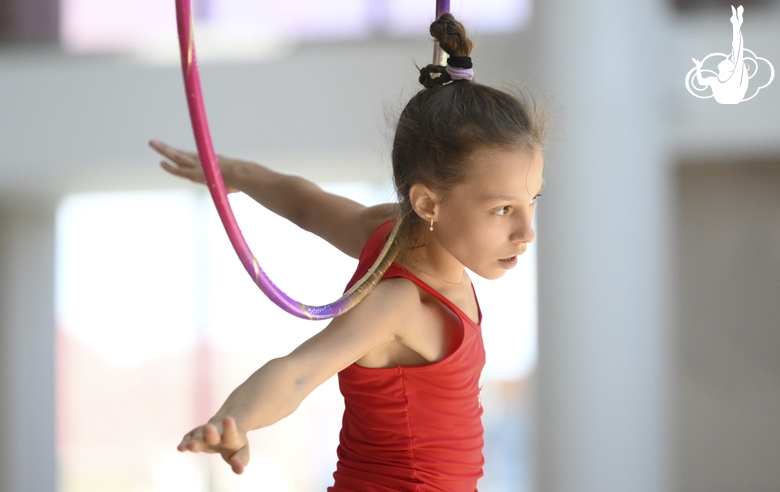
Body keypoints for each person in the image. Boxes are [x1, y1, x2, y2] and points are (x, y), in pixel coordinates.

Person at [151, 13, 546, 491]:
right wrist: (234, 420)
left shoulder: (388, 231)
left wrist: (236, 172)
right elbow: (297, 373)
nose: (527, 231)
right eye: (503, 209)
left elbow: (305, 203)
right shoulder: (400, 303)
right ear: (428, 203)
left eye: (531, 203)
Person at [692, 5, 749, 104]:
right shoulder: (719, 80)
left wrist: (736, 26)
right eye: (728, 61)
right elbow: (737, 51)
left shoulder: (730, 79)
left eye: (727, 61)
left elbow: (737, 50)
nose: (725, 59)